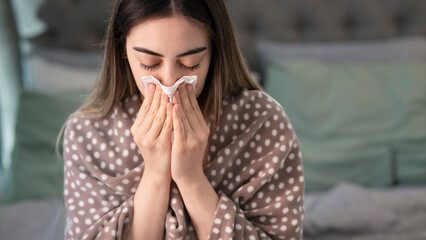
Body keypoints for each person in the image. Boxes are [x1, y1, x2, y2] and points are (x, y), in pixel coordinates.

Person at [62, 0, 305, 239]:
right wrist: (156, 174)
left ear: (214, 52)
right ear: (122, 49)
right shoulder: (88, 132)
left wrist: (191, 178)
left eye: (190, 64)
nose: (169, 83)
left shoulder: (263, 122)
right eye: (149, 63)